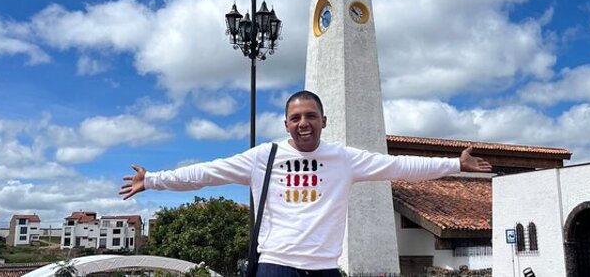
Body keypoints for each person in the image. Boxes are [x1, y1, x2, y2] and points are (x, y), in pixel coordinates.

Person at [120, 90, 492, 276]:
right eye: (295, 117)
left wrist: (455, 165)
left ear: (323, 121)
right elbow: (205, 173)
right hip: (276, 265)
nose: (303, 123)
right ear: (286, 124)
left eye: (310, 116)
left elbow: (397, 166)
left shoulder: (343, 159)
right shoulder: (263, 157)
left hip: (326, 269)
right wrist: (153, 180)